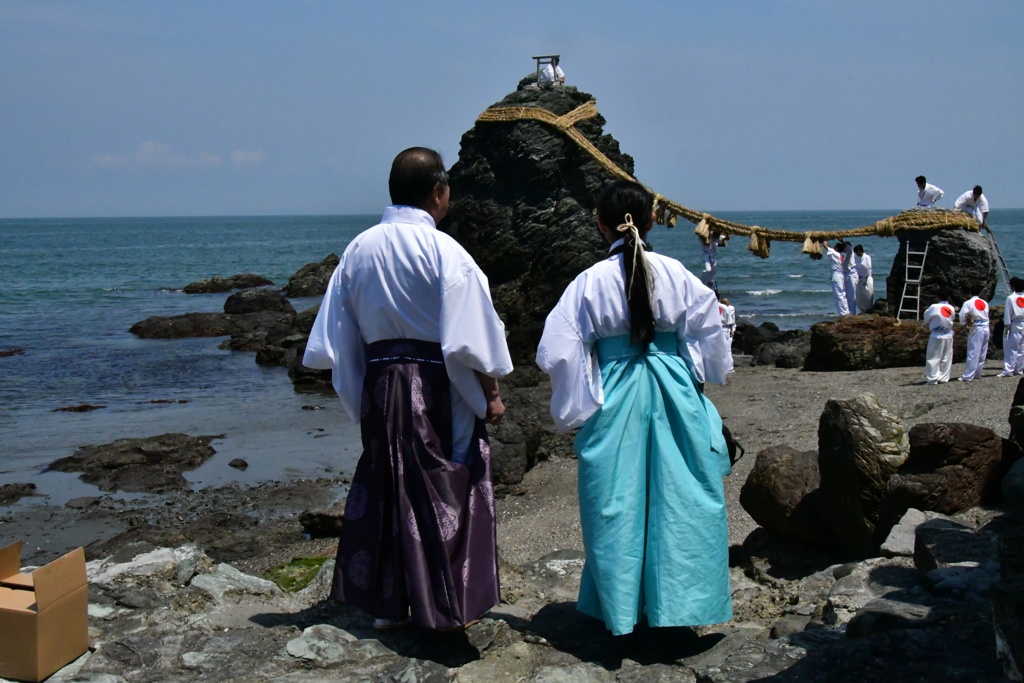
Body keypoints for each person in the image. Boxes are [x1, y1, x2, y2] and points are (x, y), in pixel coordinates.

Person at [302, 147, 514, 631]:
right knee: (446, 482)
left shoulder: (360, 248)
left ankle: (389, 606)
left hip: (381, 382)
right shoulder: (446, 251)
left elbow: (337, 331)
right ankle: (445, 602)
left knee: (387, 484)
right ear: (438, 192)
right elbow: (474, 335)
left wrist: (359, 380)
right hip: (434, 382)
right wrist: (492, 392)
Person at [536, 180, 733, 636]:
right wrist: (699, 375)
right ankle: (679, 605)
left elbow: (560, 351)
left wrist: (578, 405)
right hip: (673, 387)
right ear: (650, 221)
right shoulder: (674, 271)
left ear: (601, 225)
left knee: (614, 500)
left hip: (616, 390)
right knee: (681, 495)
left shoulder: (588, 282)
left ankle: (623, 609)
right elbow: (709, 328)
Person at [923, 289, 956, 385]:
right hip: (948, 334)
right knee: (946, 357)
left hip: (936, 334)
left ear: (938, 297)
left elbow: (926, 318)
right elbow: (952, 318)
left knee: (933, 357)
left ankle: (932, 378)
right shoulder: (951, 308)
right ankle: (944, 377)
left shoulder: (934, 307)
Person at [958, 293, 991, 382]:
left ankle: (968, 376)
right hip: (986, 327)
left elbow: (962, 315)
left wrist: (964, 324)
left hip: (976, 328)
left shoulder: (968, 303)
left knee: (973, 352)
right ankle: (977, 373)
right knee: (982, 352)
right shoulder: (984, 302)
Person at [1000, 278, 1024, 377]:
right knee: (1022, 349)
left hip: (1015, 324)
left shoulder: (1010, 298)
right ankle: (1019, 369)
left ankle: (1008, 370)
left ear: (1013, 286)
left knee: (1011, 348)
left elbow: (1008, 313)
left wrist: (1007, 326)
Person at [823, 241, 849, 316]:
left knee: (838, 295)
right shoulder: (840, 255)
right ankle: (845, 311)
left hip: (837, 275)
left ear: (837, 248)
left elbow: (827, 248)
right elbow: (831, 249)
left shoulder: (836, 254)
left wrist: (824, 243)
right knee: (843, 294)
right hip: (840, 275)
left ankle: (843, 313)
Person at [699, 230, 728, 296]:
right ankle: (702, 282)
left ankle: (710, 285)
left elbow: (726, 238)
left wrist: (726, 231)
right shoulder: (706, 237)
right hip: (706, 255)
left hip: (713, 257)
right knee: (708, 269)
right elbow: (700, 234)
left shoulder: (718, 238)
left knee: (713, 272)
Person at [837, 238, 858, 314]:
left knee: (852, 296)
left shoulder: (850, 253)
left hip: (852, 274)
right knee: (846, 295)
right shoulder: (845, 255)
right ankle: (848, 311)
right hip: (846, 275)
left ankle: (852, 312)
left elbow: (849, 249)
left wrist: (842, 241)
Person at [853, 244, 874, 313]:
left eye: (856, 252)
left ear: (859, 251)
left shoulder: (867, 257)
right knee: (861, 295)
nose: (856, 254)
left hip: (866, 278)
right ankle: (863, 309)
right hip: (861, 279)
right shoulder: (859, 259)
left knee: (867, 295)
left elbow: (866, 268)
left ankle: (869, 309)